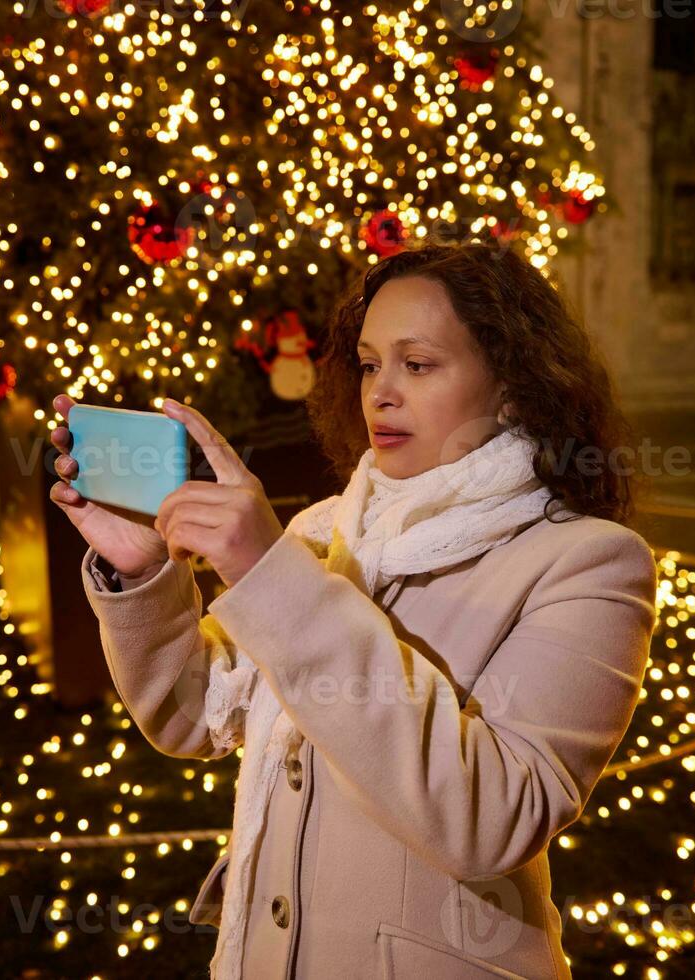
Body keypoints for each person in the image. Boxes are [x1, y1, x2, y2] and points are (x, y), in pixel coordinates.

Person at [48, 242, 659, 979]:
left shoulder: (588, 561)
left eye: (418, 364)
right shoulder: (319, 532)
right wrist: (146, 578)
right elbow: (191, 718)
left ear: (511, 386)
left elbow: (489, 820)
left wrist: (268, 576)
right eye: (370, 364)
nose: (380, 393)